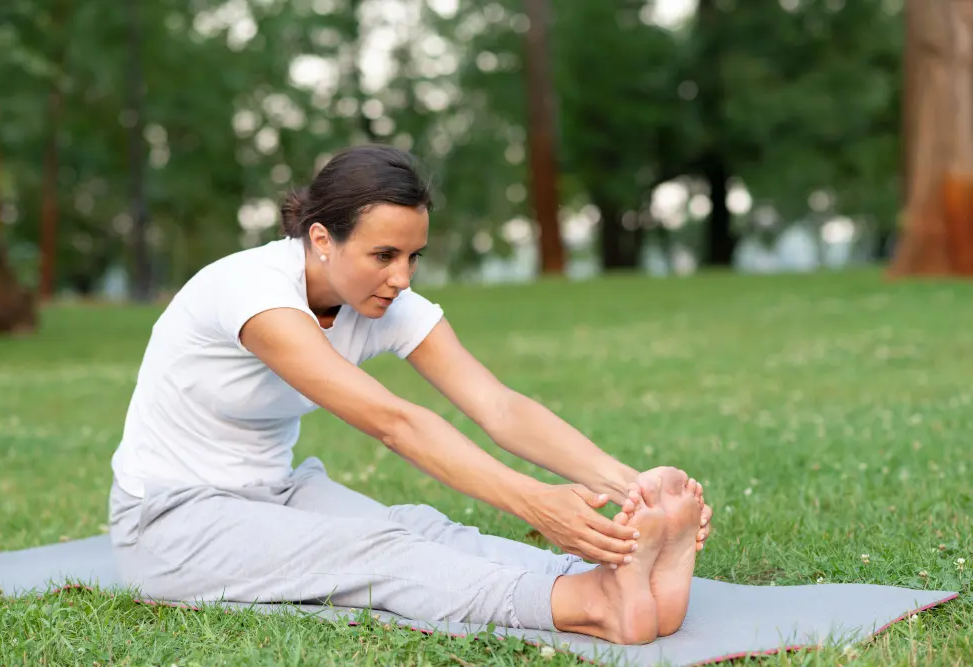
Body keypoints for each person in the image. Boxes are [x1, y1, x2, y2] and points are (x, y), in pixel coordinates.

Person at [107, 144, 714, 645]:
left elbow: (498, 407)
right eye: (384, 255)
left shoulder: (382, 301)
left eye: (413, 256)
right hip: (169, 522)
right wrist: (534, 502)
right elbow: (392, 422)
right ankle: (588, 603)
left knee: (424, 528)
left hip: (275, 494)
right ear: (321, 239)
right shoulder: (252, 293)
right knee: (378, 550)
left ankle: (618, 572)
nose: (402, 277)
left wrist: (629, 487)